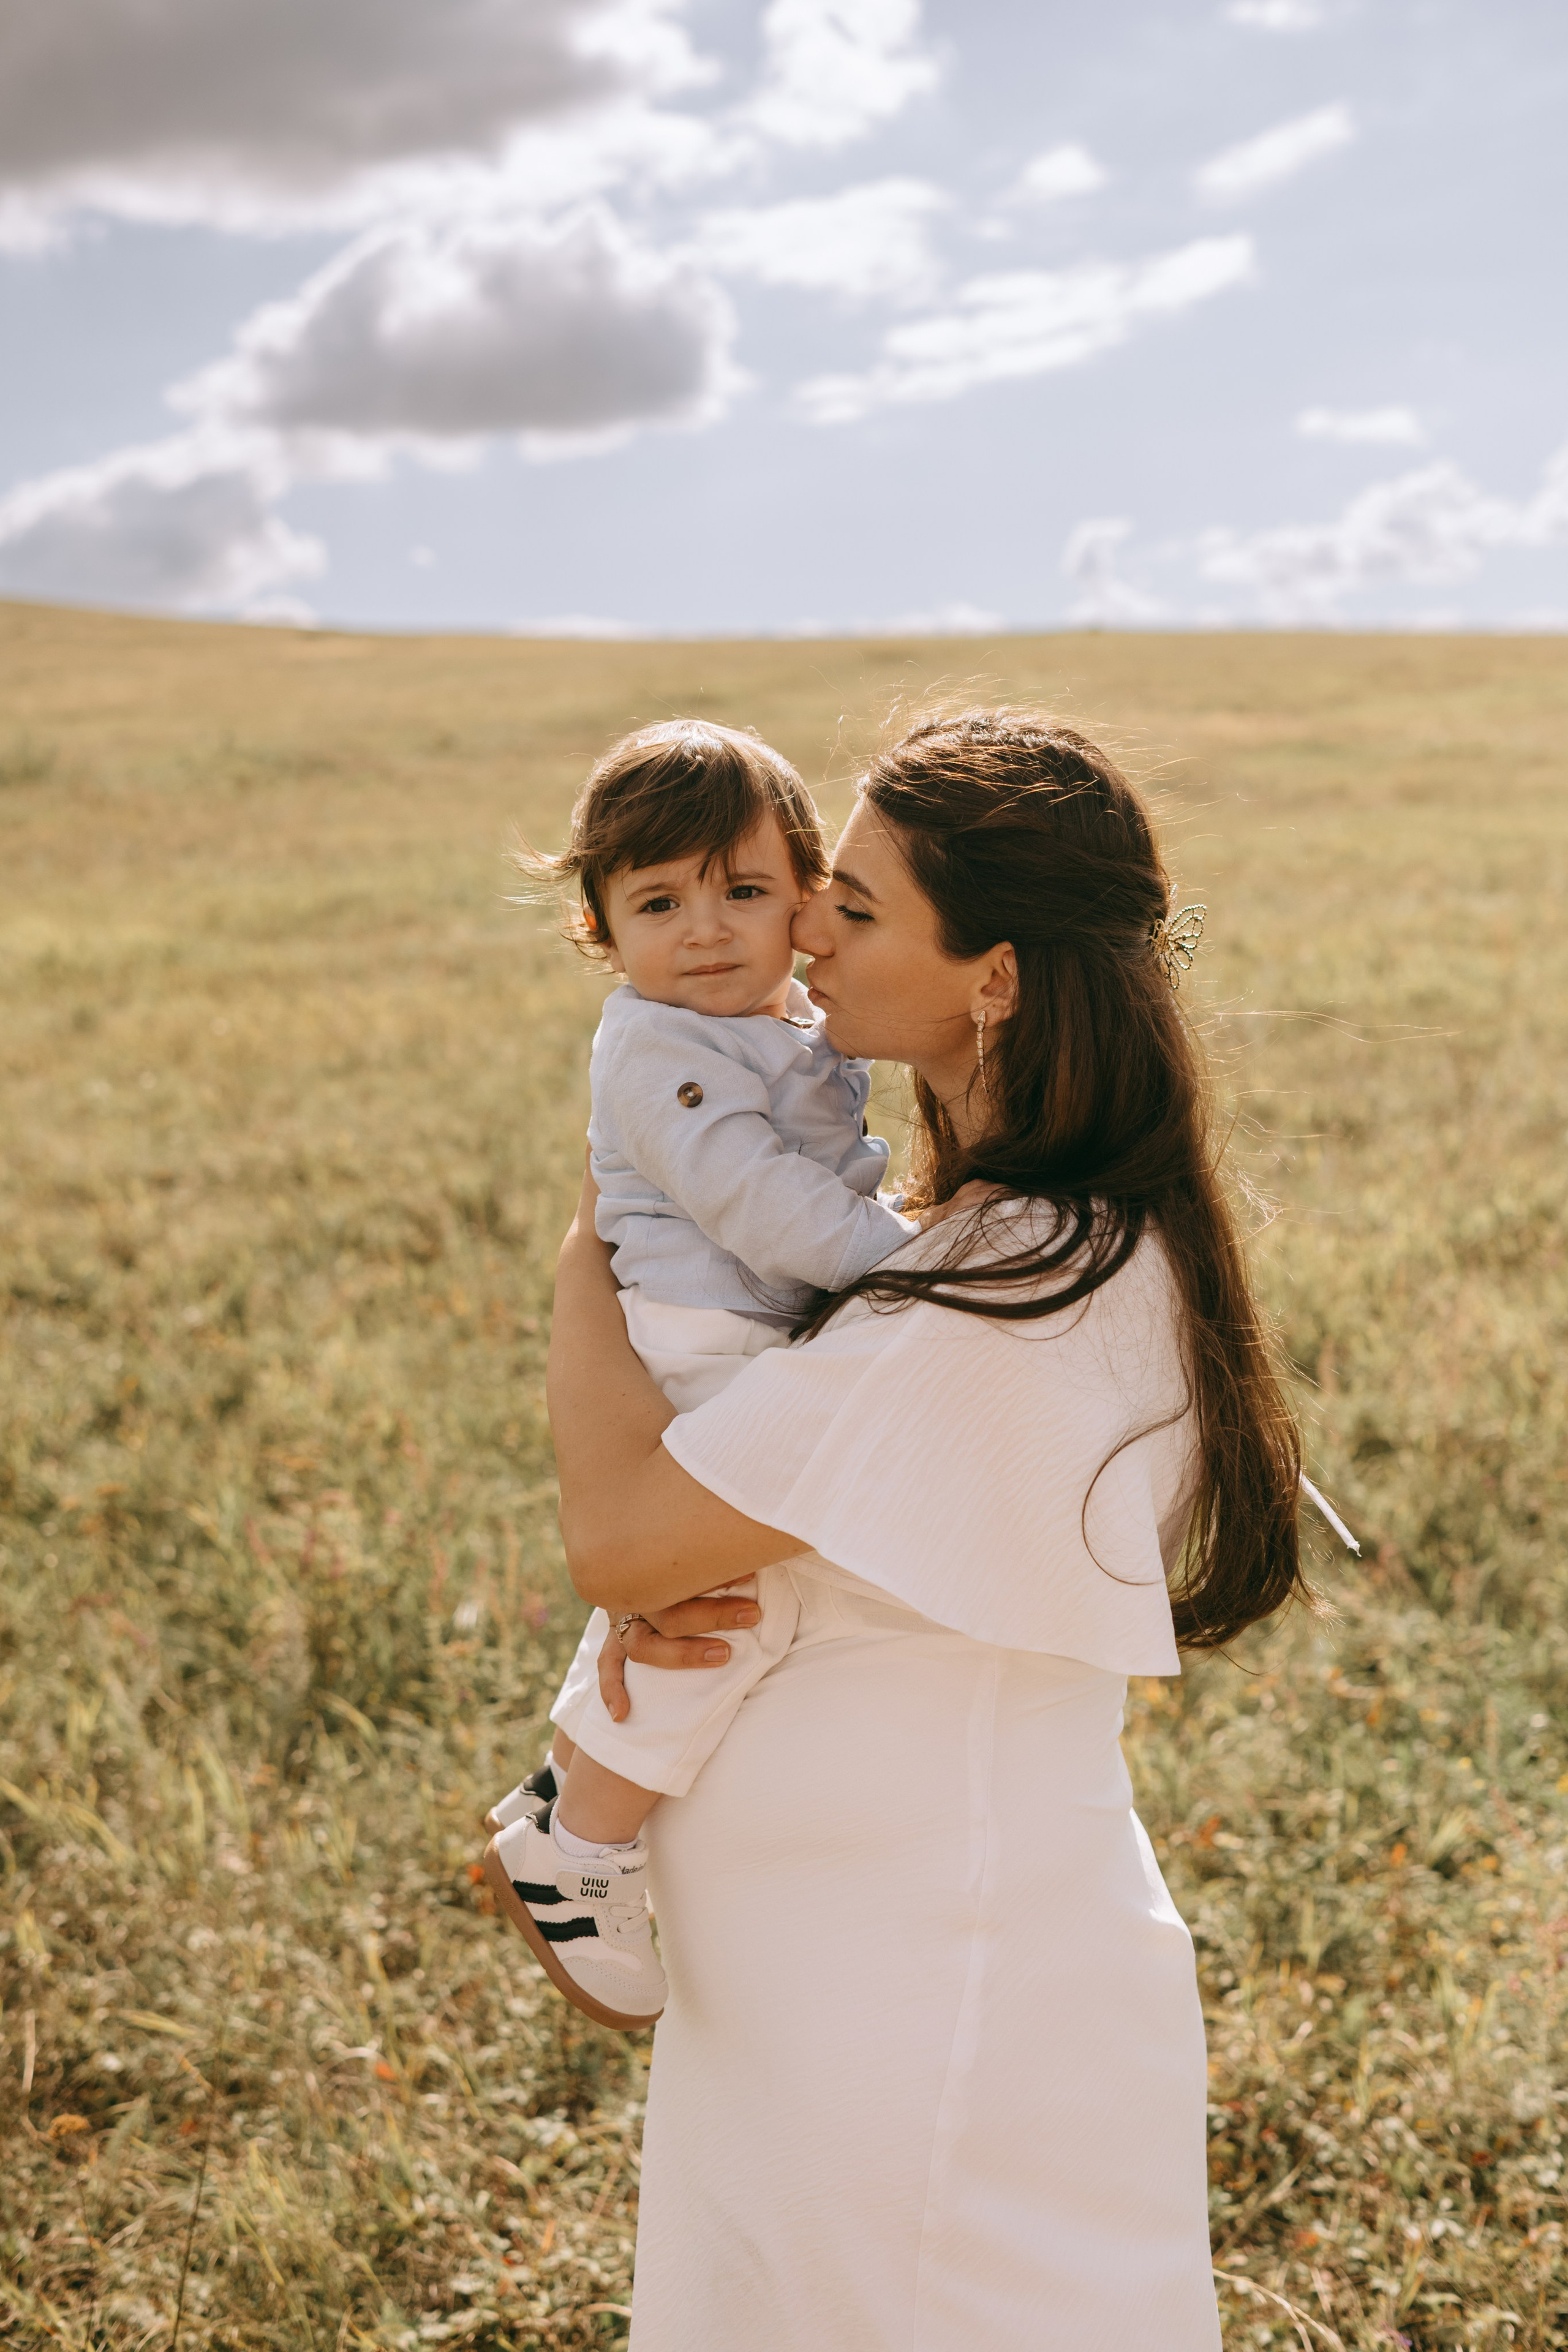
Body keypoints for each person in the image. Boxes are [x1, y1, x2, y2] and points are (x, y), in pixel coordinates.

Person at [540, 706, 1308, 2351]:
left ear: (998, 978)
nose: (802, 923)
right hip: (835, 2001)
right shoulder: (975, 1236)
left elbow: (621, 1539)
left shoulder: (999, 1284)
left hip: (916, 2024)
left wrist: (596, 1238)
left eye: (855, 905)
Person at [484, 720, 919, 2029]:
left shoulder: (773, 1019)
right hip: (700, 1335)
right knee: (730, 1591)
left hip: (751, 1326)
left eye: (742, 891)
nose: (707, 930)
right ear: (601, 931)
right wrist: (909, 1266)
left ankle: (565, 1788)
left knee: (723, 1576)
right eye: (657, 903)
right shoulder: (661, 1046)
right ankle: (583, 1843)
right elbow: (759, 1200)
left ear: (806, 894)